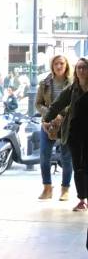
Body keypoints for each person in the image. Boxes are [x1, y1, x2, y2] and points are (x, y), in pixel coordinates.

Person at [44, 57, 88, 212]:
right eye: (79, 68)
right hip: (75, 134)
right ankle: (82, 199)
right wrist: (47, 119)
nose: (82, 70)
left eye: (85, 67)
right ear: (75, 70)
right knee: (78, 167)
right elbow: (58, 104)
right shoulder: (73, 88)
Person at [35, 55, 73, 201]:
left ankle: (65, 189)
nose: (59, 66)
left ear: (66, 65)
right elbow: (38, 104)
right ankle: (47, 188)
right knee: (44, 156)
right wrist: (49, 115)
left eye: (62, 63)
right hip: (48, 125)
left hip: (66, 124)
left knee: (66, 158)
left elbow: (74, 103)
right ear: (52, 66)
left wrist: (61, 115)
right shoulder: (44, 83)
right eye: (56, 63)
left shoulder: (72, 83)